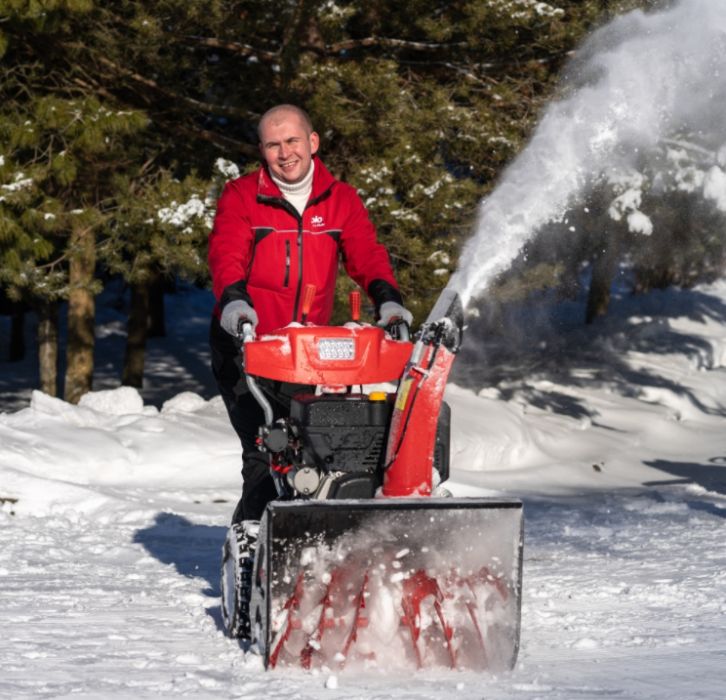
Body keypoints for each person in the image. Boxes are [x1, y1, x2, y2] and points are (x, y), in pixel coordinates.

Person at [208, 104, 412, 525]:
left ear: (312, 142)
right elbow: (226, 254)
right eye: (273, 145)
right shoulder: (243, 195)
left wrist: (388, 299)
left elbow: (367, 256)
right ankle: (253, 558)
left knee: (318, 453)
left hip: (306, 350)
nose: (285, 153)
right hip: (248, 345)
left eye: (292, 141)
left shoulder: (341, 200)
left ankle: (317, 545)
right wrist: (233, 301)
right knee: (266, 453)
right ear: (263, 151)